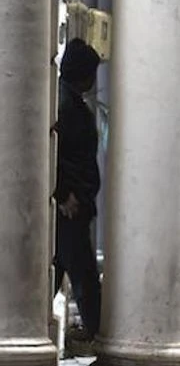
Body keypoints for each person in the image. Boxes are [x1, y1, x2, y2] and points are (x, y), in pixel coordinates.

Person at [53, 38, 103, 348]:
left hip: (74, 201)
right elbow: (56, 154)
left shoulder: (68, 99)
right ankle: (95, 332)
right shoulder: (64, 103)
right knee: (82, 271)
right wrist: (64, 194)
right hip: (69, 205)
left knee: (62, 265)